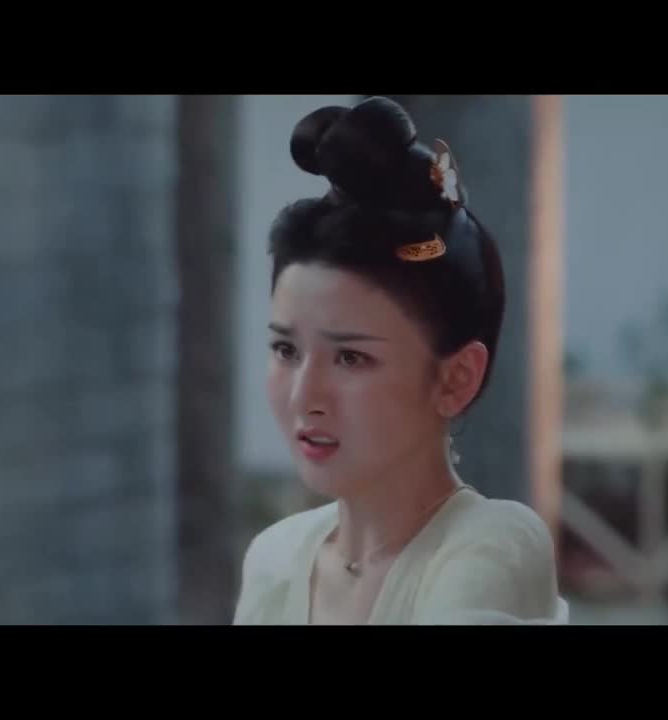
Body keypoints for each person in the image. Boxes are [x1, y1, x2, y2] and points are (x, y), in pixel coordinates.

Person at [232, 97, 567, 625]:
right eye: (286, 350)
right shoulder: (275, 557)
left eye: (351, 357)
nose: (304, 396)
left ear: (456, 379)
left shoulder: (493, 546)